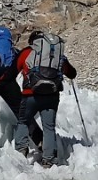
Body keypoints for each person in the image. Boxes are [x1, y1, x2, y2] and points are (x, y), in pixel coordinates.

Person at [13, 30, 77, 163]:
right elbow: (71, 73)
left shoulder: (27, 52)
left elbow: (14, 69)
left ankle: (20, 152)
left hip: (30, 95)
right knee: (49, 127)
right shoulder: (56, 55)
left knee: (23, 121)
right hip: (51, 96)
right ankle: (48, 159)